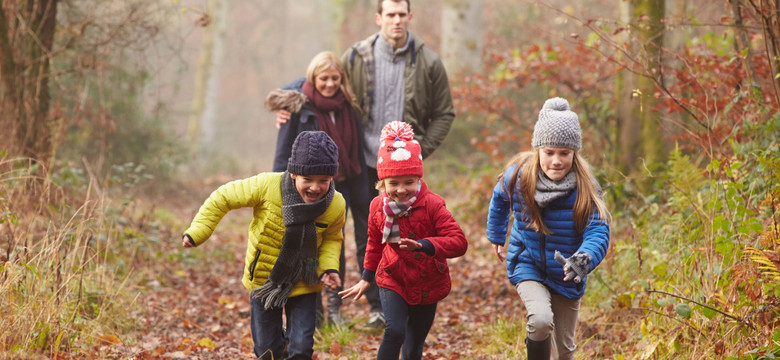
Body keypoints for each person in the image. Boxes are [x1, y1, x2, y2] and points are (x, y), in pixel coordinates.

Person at [275, 0, 456, 327]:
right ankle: (333, 307)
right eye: (391, 14)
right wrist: (286, 102)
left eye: (402, 14)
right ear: (379, 18)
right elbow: (319, 78)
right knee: (340, 232)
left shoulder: (428, 62)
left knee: (389, 236)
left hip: (400, 169)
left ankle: (383, 307)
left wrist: (417, 151)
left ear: (410, 17)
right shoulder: (357, 56)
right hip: (358, 162)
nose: (397, 20)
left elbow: (445, 113)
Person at [181, 131, 346, 360]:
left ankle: (292, 343)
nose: (315, 188)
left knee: (301, 349)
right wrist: (198, 231)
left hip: (304, 282)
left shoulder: (336, 204)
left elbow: (332, 238)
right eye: (308, 179)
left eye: (323, 181)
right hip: (265, 281)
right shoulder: (267, 186)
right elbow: (224, 197)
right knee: (267, 352)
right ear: (294, 174)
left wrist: (329, 268)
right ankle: (280, 344)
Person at [486, 98, 610, 360]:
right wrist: (497, 235)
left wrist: (584, 258)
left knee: (564, 352)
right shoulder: (518, 176)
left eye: (564, 153)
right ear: (538, 149)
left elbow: (598, 229)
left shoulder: (585, 187)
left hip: (568, 272)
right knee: (541, 321)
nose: (556, 160)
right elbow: (499, 198)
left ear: (574, 154)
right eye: (549, 152)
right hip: (527, 261)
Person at [340, 121, 468, 360]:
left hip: (427, 280)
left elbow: (459, 241)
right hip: (393, 276)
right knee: (394, 331)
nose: (401, 190)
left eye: (408, 182)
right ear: (382, 183)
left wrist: (426, 245)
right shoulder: (377, 206)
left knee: (412, 346)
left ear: (418, 179)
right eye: (394, 183)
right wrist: (366, 278)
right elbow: (374, 243)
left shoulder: (432, 204)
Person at [265, 50, 370, 326]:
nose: (330, 84)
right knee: (308, 247)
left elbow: (356, 150)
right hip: (306, 189)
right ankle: (315, 314)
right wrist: (280, 190)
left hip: (344, 186)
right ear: (313, 77)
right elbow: (283, 153)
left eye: (335, 78)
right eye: (324, 78)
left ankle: (335, 310)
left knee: (335, 245)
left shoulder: (348, 106)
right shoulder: (298, 106)